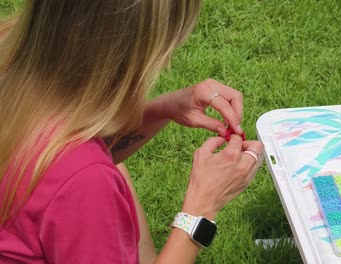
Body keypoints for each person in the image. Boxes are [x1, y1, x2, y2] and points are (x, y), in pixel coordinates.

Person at [0, 1, 264, 263]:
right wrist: (202, 206)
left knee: (119, 173)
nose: (167, 61)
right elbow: (77, 174)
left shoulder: (11, 67)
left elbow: (73, 157)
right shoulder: (86, 185)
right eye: (165, 47)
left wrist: (161, 110)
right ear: (126, 53)